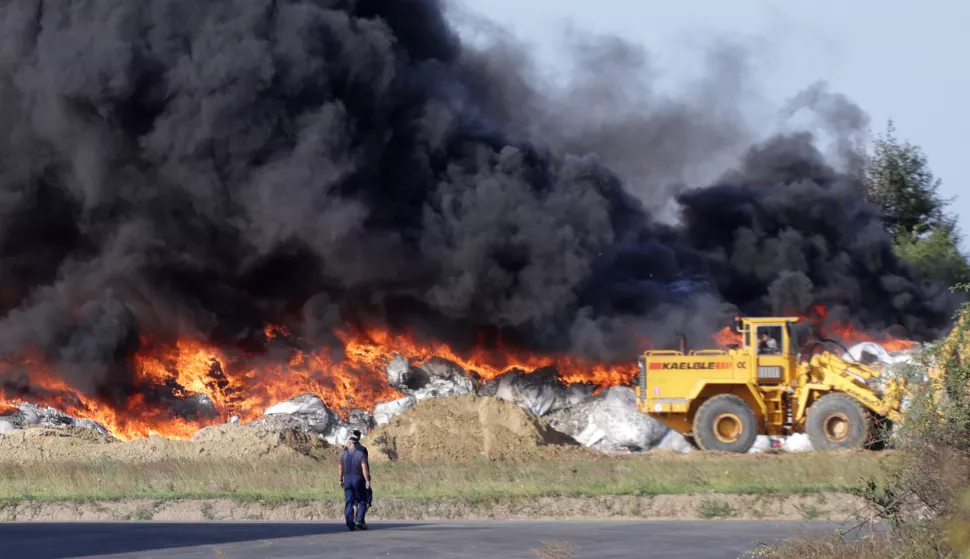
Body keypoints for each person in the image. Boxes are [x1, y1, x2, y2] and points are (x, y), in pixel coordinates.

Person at [338, 430, 371, 531]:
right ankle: (359, 519)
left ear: (350, 442)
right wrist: (367, 480)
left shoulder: (343, 454)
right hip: (358, 479)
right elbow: (365, 468)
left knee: (349, 502)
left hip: (347, 479)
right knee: (363, 500)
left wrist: (340, 479)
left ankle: (349, 523)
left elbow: (340, 468)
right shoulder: (361, 453)